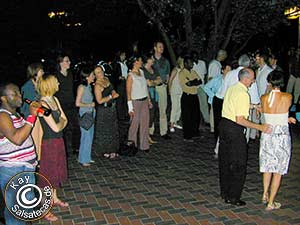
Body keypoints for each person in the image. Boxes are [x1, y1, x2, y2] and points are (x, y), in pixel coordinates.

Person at [218, 68, 272, 206]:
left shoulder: (233, 88)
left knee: (225, 161)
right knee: (238, 164)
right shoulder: (243, 94)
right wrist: (260, 127)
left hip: (224, 125)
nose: (254, 81)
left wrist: (253, 106)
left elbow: (235, 105)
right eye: (253, 79)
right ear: (246, 79)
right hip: (234, 130)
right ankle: (234, 197)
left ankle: (225, 192)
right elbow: (240, 120)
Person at [0, 82, 40, 225]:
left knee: (25, 206)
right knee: (16, 212)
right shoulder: (2, 116)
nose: (19, 96)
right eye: (14, 93)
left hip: (25, 168)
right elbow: (17, 138)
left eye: (19, 92)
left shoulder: (15, 115)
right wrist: (31, 117)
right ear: (3, 98)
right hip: (13, 170)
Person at [259, 70, 296, 211]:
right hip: (281, 136)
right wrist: (287, 118)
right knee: (278, 170)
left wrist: (285, 118)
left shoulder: (263, 98)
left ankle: (264, 194)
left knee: (267, 167)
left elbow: (272, 115)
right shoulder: (287, 96)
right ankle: (271, 203)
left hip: (268, 135)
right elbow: (281, 111)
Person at [37, 74, 69, 221]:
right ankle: (45, 208)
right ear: (49, 84)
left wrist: (61, 123)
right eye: (56, 81)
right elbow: (56, 127)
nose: (58, 83)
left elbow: (65, 120)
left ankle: (54, 198)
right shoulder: (42, 105)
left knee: (56, 171)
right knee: (48, 175)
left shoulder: (54, 100)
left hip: (58, 141)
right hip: (50, 143)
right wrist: (61, 123)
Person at [92, 65, 119, 159]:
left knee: (112, 129)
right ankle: (104, 150)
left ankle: (112, 149)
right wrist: (111, 97)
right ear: (95, 75)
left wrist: (114, 93)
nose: (101, 73)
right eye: (98, 72)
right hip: (103, 110)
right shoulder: (97, 85)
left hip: (112, 108)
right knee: (104, 131)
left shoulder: (106, 79)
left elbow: (112, 90)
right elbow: (99, 100)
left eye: (101, 71)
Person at [55, 54, 79, 154]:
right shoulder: (56, 76)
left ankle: (76, 147)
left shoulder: (70, 74)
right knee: (63, 128)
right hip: (61, 105)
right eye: (66, 61)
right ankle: (63, 150)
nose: (69, 63)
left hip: (71, 104)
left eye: (69, 61)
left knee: (76, 126)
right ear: (60, 63)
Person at [126, 56, 151, 152]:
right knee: (134, 124)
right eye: (140, 60)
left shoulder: (142, 72)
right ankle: (132, 145)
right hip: (135, 102)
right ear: (135, 62)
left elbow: (145, 88)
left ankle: (144, 145)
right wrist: (130, 108)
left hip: (144, 100)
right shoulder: (130, 76)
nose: (141, 62)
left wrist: (148, 100)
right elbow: (128, 93)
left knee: (145, 122)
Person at [75, 67, 95, 166]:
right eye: (92, 75)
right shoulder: (81, 87)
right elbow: (77, 103)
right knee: (85, 137)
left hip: (90, 113)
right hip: (85, 114)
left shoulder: (89, 86)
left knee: (89, 136)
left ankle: (87, 156)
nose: (94, 76)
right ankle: (83, 159)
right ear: (87, 77)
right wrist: (89, 105)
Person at [179, 56, 202, 142]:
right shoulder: (182, 73)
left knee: (196, 115)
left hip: (194, 95)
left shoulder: (193, 71)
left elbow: (200, 81)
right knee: (187, 117)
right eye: (190, 62)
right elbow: (188, 84)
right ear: (185, 63)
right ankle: (187, 136)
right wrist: (194, 81)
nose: (192, 64)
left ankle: (195, 133)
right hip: (187, 96)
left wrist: (193, 82)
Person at [152, 41, 171, 139]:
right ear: (155, 48)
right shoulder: (150, 60)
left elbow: (168, 74)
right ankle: (150, 131)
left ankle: (163, 132)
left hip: (162, 87)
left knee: (163, 110)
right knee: (152, 110)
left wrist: (166, 83)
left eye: (162, 47)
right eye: (160, 47)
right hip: (152, 88)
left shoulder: (166, 61)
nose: (162, 48)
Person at [142, 53, 160, 143]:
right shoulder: (143, 70)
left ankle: (148, 135)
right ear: (148, 59)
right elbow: (148, 83)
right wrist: (153, 82)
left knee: (152, 114)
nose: (153, 59)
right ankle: (145, 137)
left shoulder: (153, 69)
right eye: (152, 58)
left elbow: (159, 80)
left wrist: (153, 82)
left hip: (154, 93)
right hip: (146, 94)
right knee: (147, 115)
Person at [168, 57, 184, 132]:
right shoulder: (175, 70)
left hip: (181, 91)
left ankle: (175, 122)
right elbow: (170, 80)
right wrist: (169, 90)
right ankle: (171, 124)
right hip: (174, 91)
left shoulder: (183, 70)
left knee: (179, 107)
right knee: (174, 107)